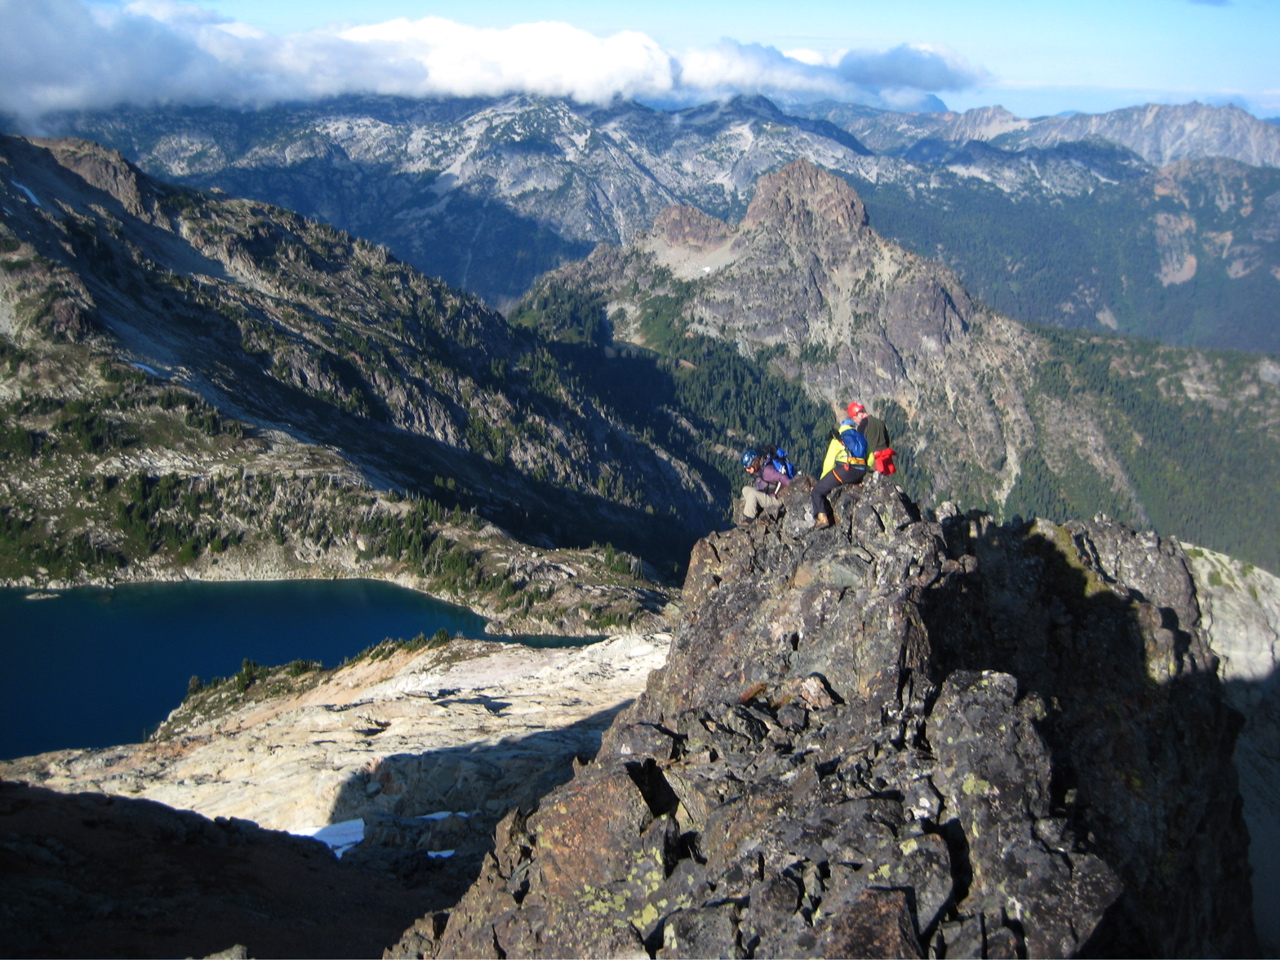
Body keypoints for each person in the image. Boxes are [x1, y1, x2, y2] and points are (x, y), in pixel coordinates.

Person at [810, 407, 868, 529]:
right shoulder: (861, 437)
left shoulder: (839, 437)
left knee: (817, 491)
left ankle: (822, 519)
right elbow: (871, 457)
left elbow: (829, 462)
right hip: (861, 471)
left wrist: (822, 481)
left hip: (846, 469)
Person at [740, 448, 791, 523]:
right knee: (745, 490)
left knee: (752, 494)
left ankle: (748, 520)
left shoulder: (767, 471)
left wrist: (792, 485)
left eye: (748, 468)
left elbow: (781, 477)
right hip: (769, 494)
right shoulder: (763, 463)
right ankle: (755, 507)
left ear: (754, 463)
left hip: (777, 499)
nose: (747, 470)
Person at [846, 401, 896, 478]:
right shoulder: (879, 422)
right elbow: (887, 441)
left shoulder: (863, 425)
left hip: (874, 460)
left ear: (859, 414)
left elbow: (859, 447)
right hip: (886, 458)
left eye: (854, 418)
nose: (855, 421)